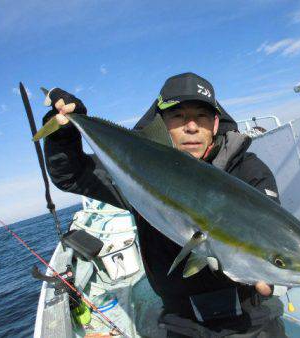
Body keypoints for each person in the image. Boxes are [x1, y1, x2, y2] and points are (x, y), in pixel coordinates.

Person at [43, 72, 287, 337]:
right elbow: (72, 175)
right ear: (162, 123)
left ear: (216, 124)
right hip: (181, 322)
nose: (191, 127)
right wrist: (63, 136)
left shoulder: (247, 170)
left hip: (252, 315)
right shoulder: (138, 171)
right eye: (178, 116)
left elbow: (272, 236)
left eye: (201, 116)